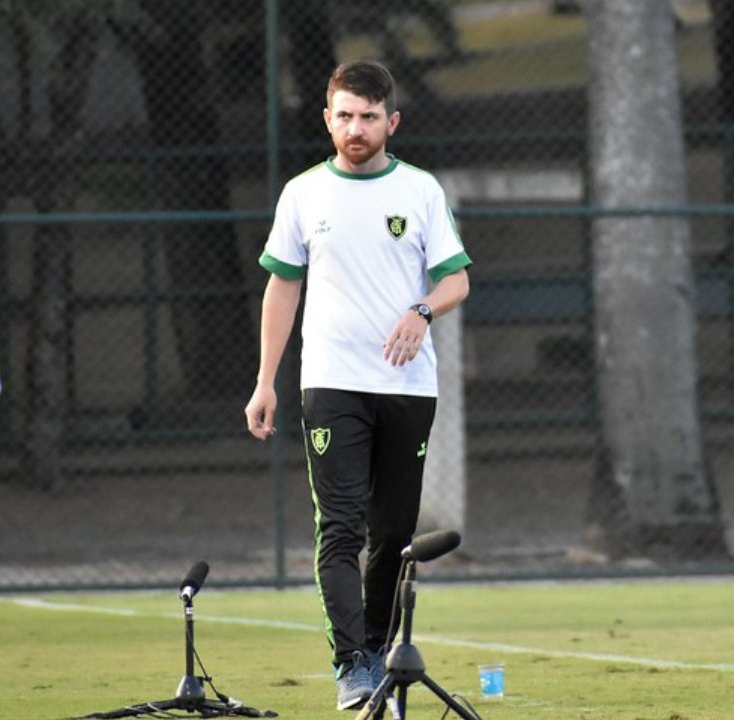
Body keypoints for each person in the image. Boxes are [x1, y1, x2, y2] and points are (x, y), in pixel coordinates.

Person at [243, 60, 471, 711]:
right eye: (344, 115)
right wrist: (266, 382)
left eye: (369, 117)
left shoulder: (421, 192)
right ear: (327, 119)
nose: (355, 128)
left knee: (393, 535)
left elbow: (456, 279)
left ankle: (375, 654)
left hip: (407, 390)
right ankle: (352, 665)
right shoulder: (303, 194)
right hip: (332, 385)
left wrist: (422, 309)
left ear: (391, 123)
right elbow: (282, 286)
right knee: (339, 529)